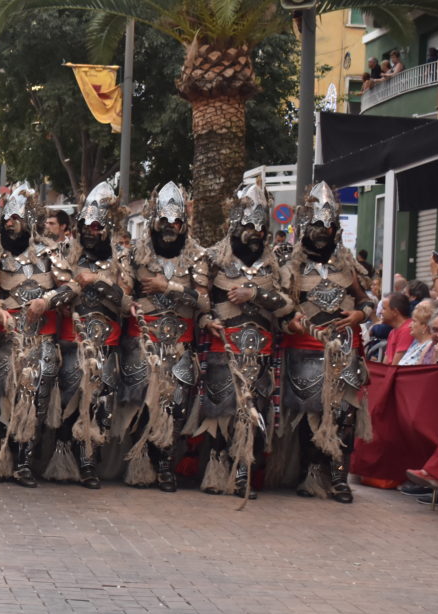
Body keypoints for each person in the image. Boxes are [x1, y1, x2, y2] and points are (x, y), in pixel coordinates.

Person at [197, 178, 294, 499]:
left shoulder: (275, 264)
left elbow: (287, 305)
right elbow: (199, 298)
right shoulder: (213, 258)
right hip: (222, 348)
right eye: (249, 227)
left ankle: (242, 473)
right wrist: (206, 318)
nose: (256, 234)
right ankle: (215, 469)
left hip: (260, 351)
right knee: (221, 411)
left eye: (261, 228)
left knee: (251, 412)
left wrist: (256, 293)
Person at [280, 183, 375, 504]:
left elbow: (367, 302)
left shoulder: (347, 264)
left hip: (344, 351)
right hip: (305, 350)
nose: (322, 231)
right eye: (317, 225)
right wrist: (290, 320)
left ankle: (339, 478)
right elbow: (283, 307)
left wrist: (359, 315)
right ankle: (311, 475)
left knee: (343, 417)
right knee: (309, 417)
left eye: (328, 225)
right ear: (306, 227)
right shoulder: (291, 266)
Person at [0, 183, 76, 488]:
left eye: (16, 218)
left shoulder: (48, 253)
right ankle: (1, 455)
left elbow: (71, 287)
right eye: (7, 219)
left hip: (42, 339)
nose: (10, 223)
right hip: (7, 338)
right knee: (3, 394)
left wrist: (46, 301)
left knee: (37, 395)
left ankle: (24, 461)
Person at [117, 182, 209, 492]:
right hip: (142, 341)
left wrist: (169, 287)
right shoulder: (136, 254)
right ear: (154, 221)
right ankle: (141, 460)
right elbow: (124, 294)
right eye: (165, 221)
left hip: (180, 345)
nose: (170, 227)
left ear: (185, 223)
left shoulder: (197, 256)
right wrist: (126, 302)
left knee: (176, 406)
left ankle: (166, 463)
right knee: (141, 403)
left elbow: (206, 301)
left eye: (176, 221)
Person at [47, 181, 131, 489]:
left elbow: (126, 301)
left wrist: (95, 280)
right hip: (72, 340)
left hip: (107, 343)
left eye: (96, 226)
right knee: (69, 398)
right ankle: (62, 457)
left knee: (100, 405)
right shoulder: (64, 254)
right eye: (86, 226)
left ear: (107, 228)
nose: (90, 231)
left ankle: (88, 462)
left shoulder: (121, 259)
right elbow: (57, 289)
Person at [398, 298, 434, 366]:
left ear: (424, 326)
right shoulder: (416, 344)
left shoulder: (430, 348)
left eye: (414, 321)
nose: (409, 325)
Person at [381, 292, 414, 364]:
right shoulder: (393, 331)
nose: (381, 312)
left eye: (384, 308)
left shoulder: (407, 330)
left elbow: (395, 367)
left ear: (395, 312)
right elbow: (385, 365)